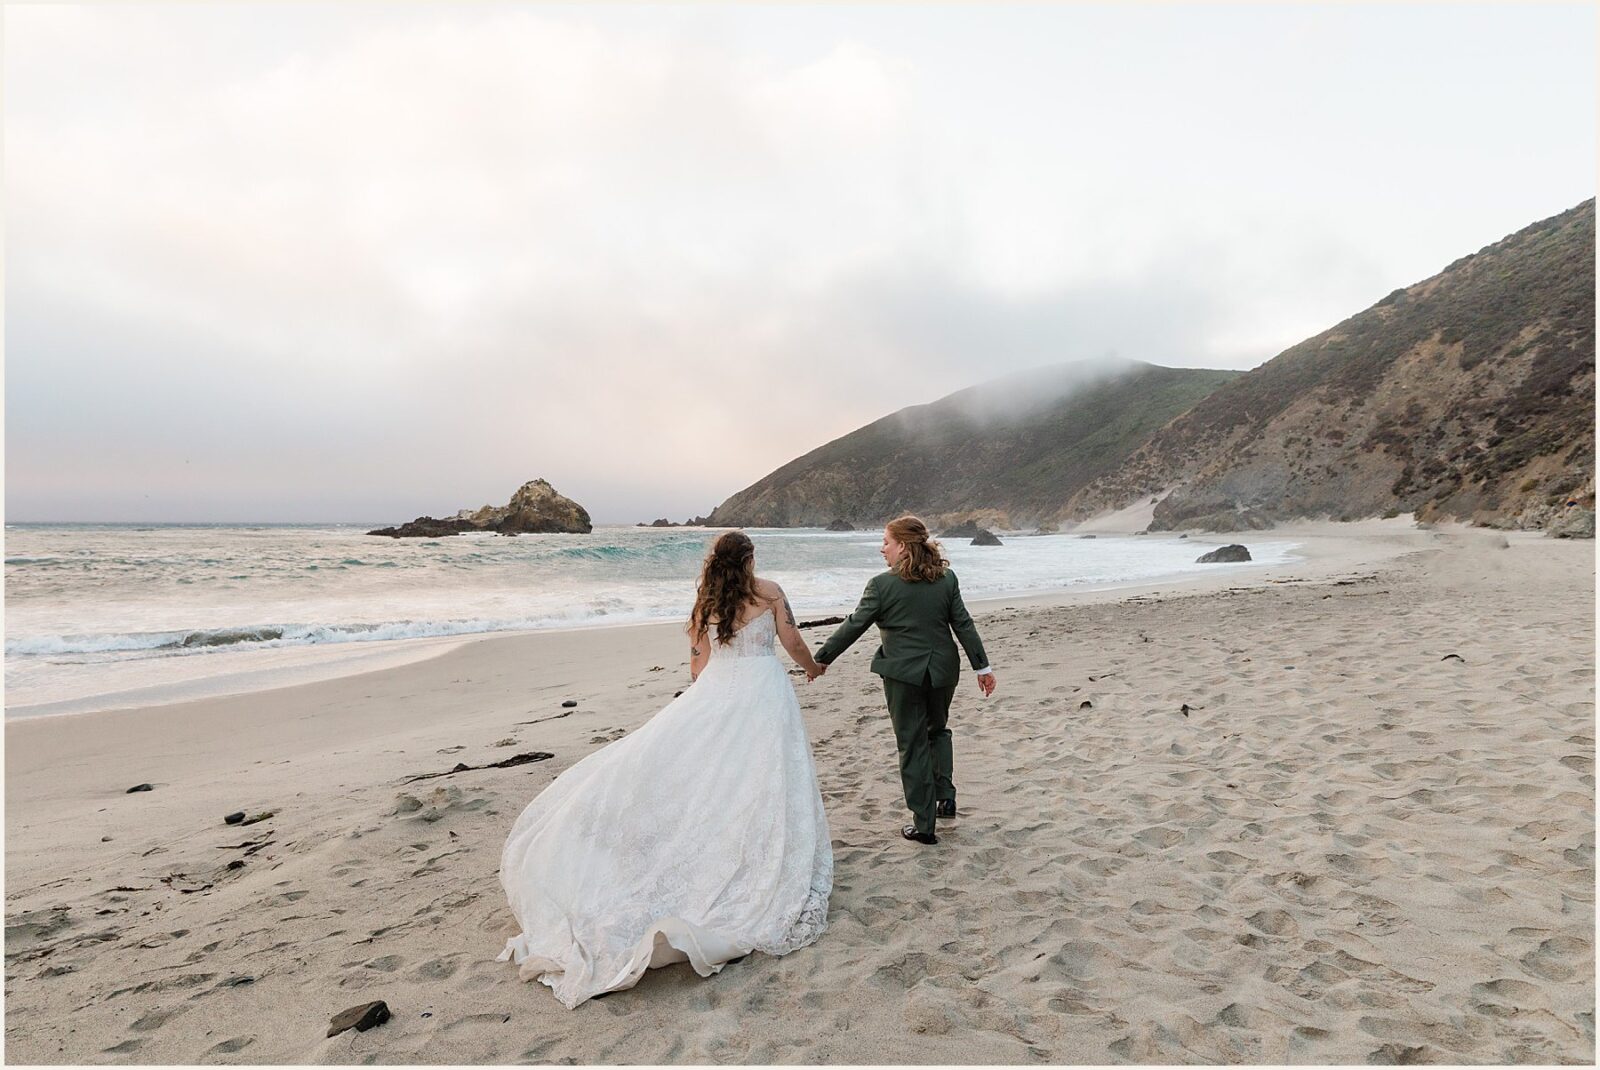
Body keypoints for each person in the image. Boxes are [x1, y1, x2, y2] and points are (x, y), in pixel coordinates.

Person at [497, 531, 833, 1008]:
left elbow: (697, 666)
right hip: (764, 691)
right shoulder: (771, 592)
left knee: (712, 773)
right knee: (762, 776)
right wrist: (813, 668)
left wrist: (709, 695)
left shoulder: (707, 603)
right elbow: (792, 641)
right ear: (751, 558)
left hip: (720, 690)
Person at [815, 515, 995, 845]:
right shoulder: (946, 579)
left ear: (902, 545)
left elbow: (855, 625)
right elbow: (963, 624)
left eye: (886, 542)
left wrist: (822, 659)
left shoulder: (882, 585)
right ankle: (945, 798)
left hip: (903, 676)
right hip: (943, 671)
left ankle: (924, 825)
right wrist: (982, 668)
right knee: (937, 731)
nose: (881, 548)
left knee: (911, 745)